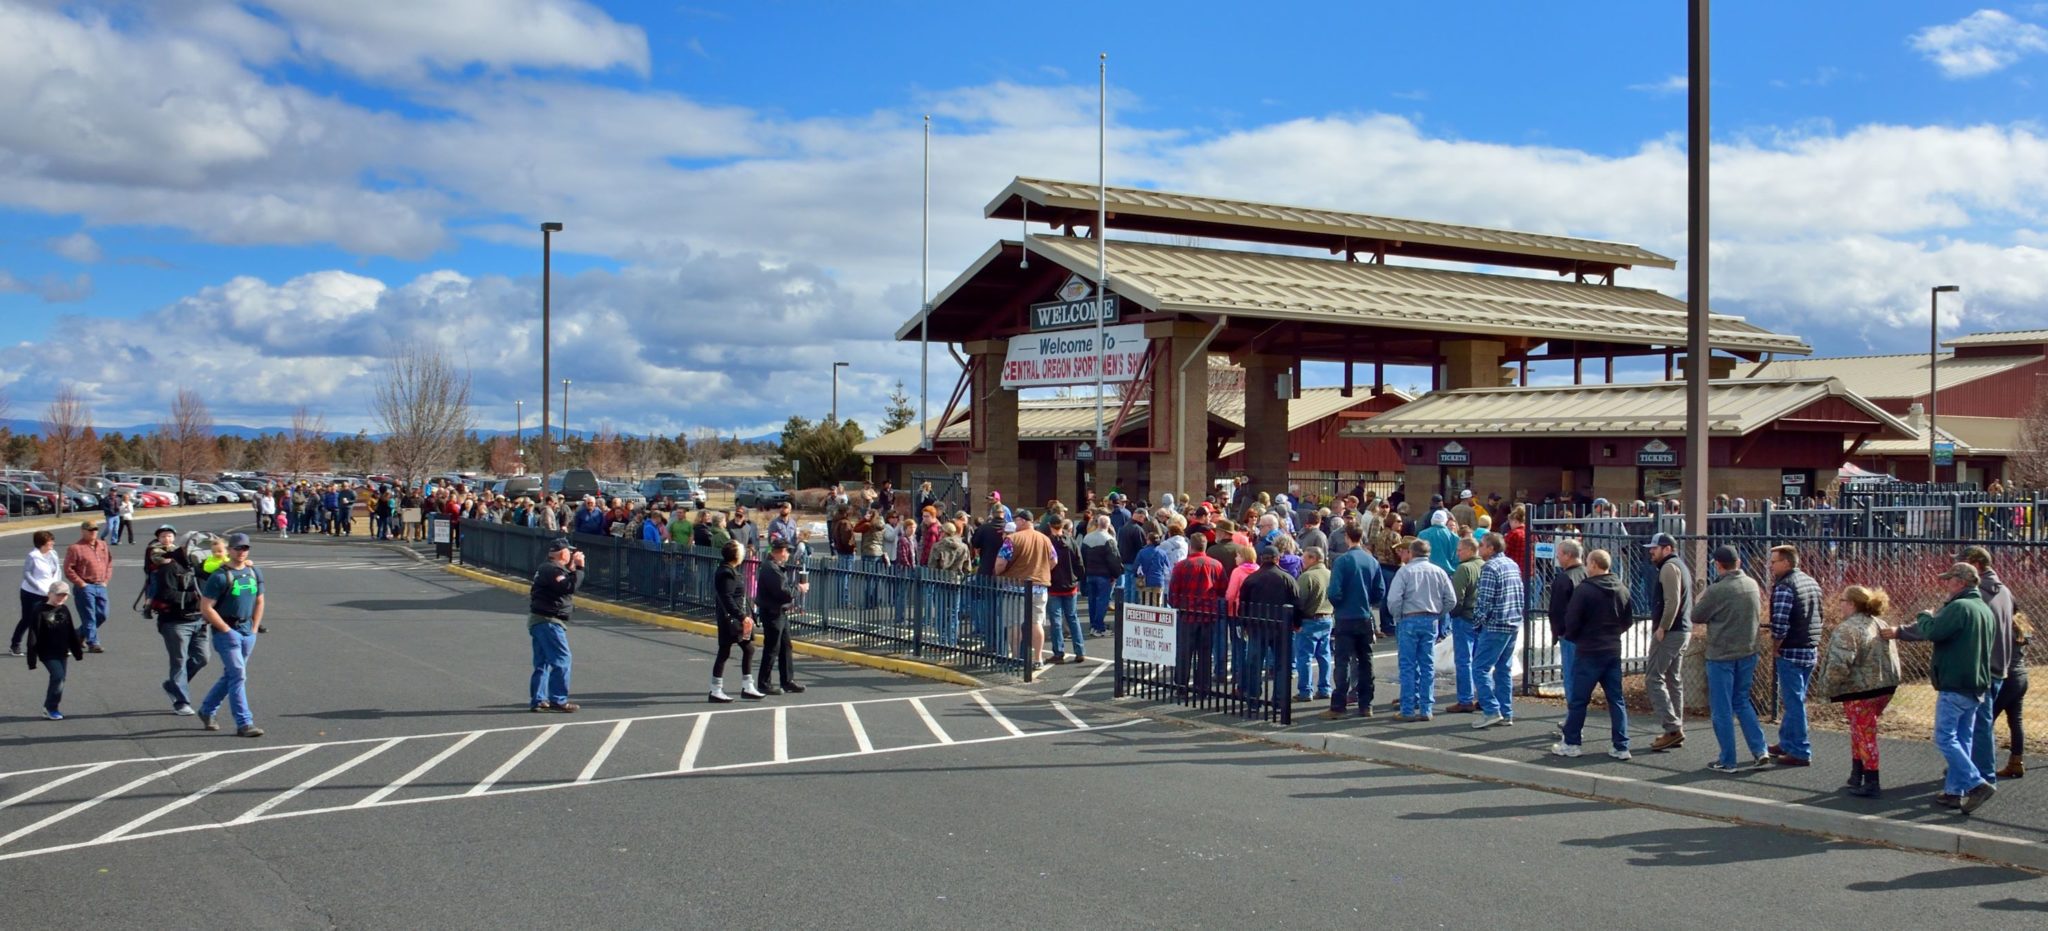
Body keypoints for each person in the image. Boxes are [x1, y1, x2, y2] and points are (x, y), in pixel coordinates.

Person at [1881, 563, 1998, 814]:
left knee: (1944, 737)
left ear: (1961, 582)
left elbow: (1934, 631)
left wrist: (1924, 615)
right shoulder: (1983, 609)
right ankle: (1954, 792)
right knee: (1962, 738)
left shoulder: (1960, 607)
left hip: (1956, 683)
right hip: (1976, 684)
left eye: (1950, 580)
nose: (1946, 584)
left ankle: (1976, 783)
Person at [1819, 585, 1902, 798]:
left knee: (1865, 734)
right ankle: (1856, 774)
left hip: (1860, 690)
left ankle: (1871, 780)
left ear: (1852, 604)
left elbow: (1839, 664)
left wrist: (1828, 688)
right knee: (1859, 730)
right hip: (1884, 687)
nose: (1840, 605)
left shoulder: (1848, 629)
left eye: (1842, 601)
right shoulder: (1879, 623)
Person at [1552, 549, 1633, 760]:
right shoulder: (1621, 588)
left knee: (1579, 700)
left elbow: (1572, 620)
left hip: (1588, 650)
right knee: (1616, 699)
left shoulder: (1585, 590)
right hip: (1612, 649)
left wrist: (1575, 636)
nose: (1586, 566)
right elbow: (1627, 620)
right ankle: (1621, 745)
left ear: (1595, 565)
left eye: (1588, 563)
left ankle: (1571, 743)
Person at [1695, 546, 1769, 772]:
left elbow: (1696, 615)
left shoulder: (1717, 590)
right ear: (1738, 562)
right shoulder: (1752, 584)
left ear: (1718, 564)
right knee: (1742, 701)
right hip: (1748, 651)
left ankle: (1728, 759)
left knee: (1722, 708)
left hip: (1721, 655)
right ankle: (1760, 750)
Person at [197, 533, 266, 738]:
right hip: (226, 633)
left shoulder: (254, 572)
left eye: (245, 548)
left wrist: (254, 628)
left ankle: (207, 710)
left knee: (232, 675)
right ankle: (245, 723)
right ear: (229, 550)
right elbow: (206, 607)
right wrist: (227, 631)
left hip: (247, 631)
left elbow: (260, 600)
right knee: (238, 674)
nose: (242, 551)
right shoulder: (219, 576)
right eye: (238, 548)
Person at [1958, 546, 2017, 784]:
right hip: (1999, 665)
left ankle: (1982, 777)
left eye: (1962, 565)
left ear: (1976, 565)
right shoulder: (2004, 591)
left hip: (1982, 668)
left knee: (1980, 725)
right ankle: (1973, 770)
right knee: (1978, 723)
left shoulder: (1979, 595)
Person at [1386, 537, 1455, 722]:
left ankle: (1408, 708)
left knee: (1408, 665)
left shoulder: (1405, 571)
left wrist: (1398, 617)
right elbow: (1451, 600)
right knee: (1427, 665)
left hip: (1409, 618)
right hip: (1430, 619)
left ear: (1412, 552)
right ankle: (1426, 708)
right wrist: (1439, 613)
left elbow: (1393, 600)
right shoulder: (1439, 572)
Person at [1767, 544, 1823, 766]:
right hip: (1809, 647)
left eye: (1774, 561)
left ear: (1786, 562)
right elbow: (1821, 614)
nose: (1770, 565)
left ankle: (1799, 749)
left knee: (1793, 701)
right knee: (1796, 699)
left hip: (1791, 649)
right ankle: (1787, 742)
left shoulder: (1785, 587)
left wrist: (1776, 646)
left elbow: (1780, 623)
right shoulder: (1810, 581)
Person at [147, 526, 209, 716]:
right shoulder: (169, 566)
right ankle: (181, 701)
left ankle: (172, 685)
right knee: (179, 661)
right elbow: (166, 594)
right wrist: (196, 597)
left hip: (199, 620)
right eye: (195, 547)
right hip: (175, 622)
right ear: (184, 548)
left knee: (202, 658)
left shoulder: (200, 567)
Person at [1325, 525, 1385, 719]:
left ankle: (1338, 705)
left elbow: (1334, 592)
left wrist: (1340, 604)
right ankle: (1366, 704)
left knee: (1342, 661)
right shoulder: (1372, 561)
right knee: (1365, 660)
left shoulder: (1343, 561)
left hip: (1345, 617)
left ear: (1347, 538)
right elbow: (1380, 591)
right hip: (1364, 616)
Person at [1642, 532, 1692, 751]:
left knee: (1653, 676)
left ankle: (1672, 728)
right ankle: (1676, 728)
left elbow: (1672, 600)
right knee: (1673, 678)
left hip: (1671, 632)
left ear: (1668, 549)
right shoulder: (1679, 566)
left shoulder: (1669, 568)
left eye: (1655, 547)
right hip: (1682, 630)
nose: (1651, 551)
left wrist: (1663, 627)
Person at [1469, 532, 1523, 729]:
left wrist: (1477, 623)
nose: (1480, 548)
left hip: (1495, 624)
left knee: (1480, 668)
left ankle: (1491, 710)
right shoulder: (1512, 564)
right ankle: (1506, 712)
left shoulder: (1490, 567)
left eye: (1482, 545)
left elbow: (1485, 600)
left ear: (1491, 548)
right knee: (1503, 670)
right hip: (1513, 622)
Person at [526, 538, 584, 713]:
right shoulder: (552, 570)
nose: (571, 554)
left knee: (542, 661)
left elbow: (563, 584)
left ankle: (538, 699)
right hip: (548, 621)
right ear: (562, 553)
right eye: (569, 551)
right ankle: (558, 699)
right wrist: (580, 568)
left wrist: (572, 570)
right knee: (562, 660)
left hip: (539, 620)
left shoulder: (549, 569)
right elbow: (568, 587)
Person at [995, 510, 1054, 669]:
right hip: (1039, 587)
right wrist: (1041, 570)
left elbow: (1001, 563)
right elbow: (1054, 560)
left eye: (1016, 520)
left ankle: (1015, 657)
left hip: (1015, 587)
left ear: (1022, 521)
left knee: (1014, 624)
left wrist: (999, 572)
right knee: (1037, 623)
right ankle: (1038, 658)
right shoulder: (1045, 539)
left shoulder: (1012, 539)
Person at [708, 539, 764, 703]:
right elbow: (727, 598)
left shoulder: (729, 570)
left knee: (746, 649)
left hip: (736, 619)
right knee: (728, 651)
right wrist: (742, 616)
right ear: (735, 556)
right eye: (741, 551)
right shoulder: (726, 573)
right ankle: (717, 690)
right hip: (731, 621)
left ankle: (746, 686)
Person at [1166, 533, 1225, 691]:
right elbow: (1222, 590)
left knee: (1184, 652)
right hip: (1208, 615)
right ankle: (1203, 686)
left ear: (1190, 546)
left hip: (1187, 614)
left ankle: (1181, 684)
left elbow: (1173, 592)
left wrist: (1177, 605)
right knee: (1205, 653)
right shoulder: (1217, 565)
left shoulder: (1181, 566)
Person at [755, 539, 808, 695]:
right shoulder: (771, 568)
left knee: (786, 646)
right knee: (772, 647)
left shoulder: (774, 566)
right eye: (787, 551)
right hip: (772, 612)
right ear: (781, 551)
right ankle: (764, 683)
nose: (788, 554)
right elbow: (783, 592)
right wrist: (799, 588)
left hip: (779, 611)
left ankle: (787, 680)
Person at [25, 579, 83, 720]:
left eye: (65, 595)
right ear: (50, 594)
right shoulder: (39, 611)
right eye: (58, 595)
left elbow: (70, 631)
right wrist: (31, 660)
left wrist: (77, 651)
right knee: (58, 676)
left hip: (62, 651)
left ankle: (51, 707)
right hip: (47, 652)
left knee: (61, 679)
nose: (61, 598)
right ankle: (50, 708)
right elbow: (33, 635)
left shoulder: (64, 609)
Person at [61, 520, 112, 653]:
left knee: (102, 614)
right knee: (89, 616)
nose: (93, 532)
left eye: (95, 529)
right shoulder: (75, 548)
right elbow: (68, 569)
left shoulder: (103, 545)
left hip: (100, 585)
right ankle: (93, 643)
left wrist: (106, 580)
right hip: (85, 586)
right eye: (90, 530)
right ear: (83, 531)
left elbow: (109, 564)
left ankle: (77, 635)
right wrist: (81, 584)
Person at [1445, 534, 1483, 713]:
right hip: (1481, 618)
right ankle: (1483, 696)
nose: (1457, 553)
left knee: (1463, 660)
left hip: (1465, 618)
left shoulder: (1463, 569)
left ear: (1470, 550)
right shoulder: (1485, 566)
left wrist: (1453, 614)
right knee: (1480, 661)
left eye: (1460, 550)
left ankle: (1465, 699)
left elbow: (1456, 597)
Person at [1292, 546, 1335, 704]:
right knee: (1324, 655)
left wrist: (1295, 622)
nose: (1302, 562)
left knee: (1304, 657)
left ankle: (1305, 690)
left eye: (1305, 559)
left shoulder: (1307, 577)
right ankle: (1325, 688)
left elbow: (1299, 601)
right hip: (1327, 617)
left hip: (1309, 619)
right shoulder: (1331, 574)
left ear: (1313, 559)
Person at [1991, 610, 2030, 779]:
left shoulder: (2003, 628)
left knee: (1984, 721)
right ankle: (2016, 762)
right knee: (2016, 720)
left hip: (2006, 679)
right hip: (2021, 677)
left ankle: (1978, 765)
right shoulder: (2021, 627)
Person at [11, 530, 61, 656]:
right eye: (50, 541)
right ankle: (15, 644)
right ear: (42, 543)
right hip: (31, 593)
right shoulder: (33, 556)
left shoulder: (53, 554)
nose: (53, 543)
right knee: (28, 619)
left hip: (50, 592)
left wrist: (57, 587)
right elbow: (27, 574)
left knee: (50, 619)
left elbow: (57, 571)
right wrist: (40, 588)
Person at [1046, 516, 1085, 664]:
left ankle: (1058, 652)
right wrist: (1078, 578)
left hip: (1054, 585)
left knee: (1055, 620)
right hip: (1070, 585)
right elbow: (1079, 562)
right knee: (1072, 618)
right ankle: (1080, 651)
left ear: (1050, 526)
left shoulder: (1048, 542)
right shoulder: (1071, 541)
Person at [1079, 515, 1123, 637]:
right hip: (1104, 575)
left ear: (1097, 524)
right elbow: (1114, 559)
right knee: (1102, 601)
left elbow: (1082, 557)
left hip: (1090, 574)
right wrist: (1115, 574)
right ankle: (1099, 627)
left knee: (1092, 600)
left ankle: (1093, 626)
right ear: (1108, 525)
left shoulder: (1087, 538)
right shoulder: (1109, 539)